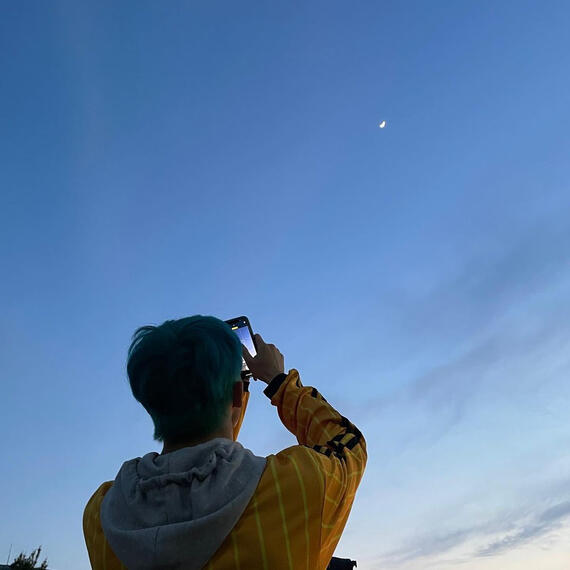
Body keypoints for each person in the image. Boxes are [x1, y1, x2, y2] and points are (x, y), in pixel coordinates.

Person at [83, 315, 366, 569]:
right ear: (235, 396)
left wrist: (232, 395)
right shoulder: (297, 485)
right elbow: (348, 446)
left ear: (148, 402)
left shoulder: (102, 515)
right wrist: (279, 382)